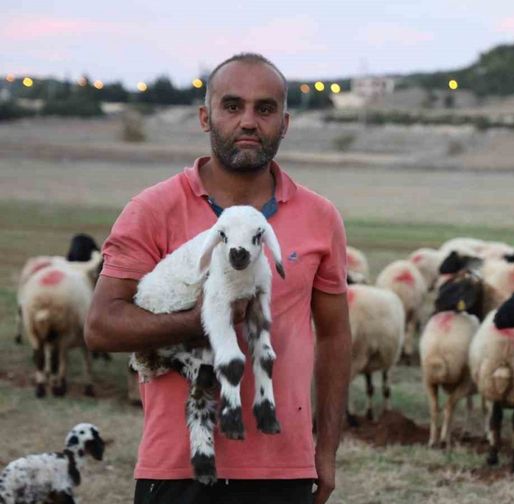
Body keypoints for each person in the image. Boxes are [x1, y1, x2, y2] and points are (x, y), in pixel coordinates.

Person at [85, 53, 351, 504]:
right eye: (232, 106)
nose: (248, 121)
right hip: (177, 470)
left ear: (284, 123)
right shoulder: (152, 209)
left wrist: (325, 450)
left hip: (282, 472)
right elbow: (101, 327)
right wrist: (200, 320)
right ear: (206, 116)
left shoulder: (320, 217)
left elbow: (334, 337)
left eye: (264, 109)